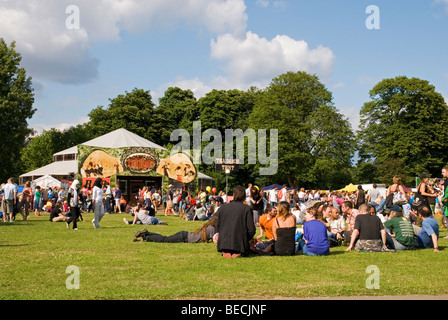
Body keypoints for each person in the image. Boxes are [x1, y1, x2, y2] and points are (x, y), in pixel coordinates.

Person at [216, 185, 256, 258]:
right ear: (244, 197)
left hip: (224, 242)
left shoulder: (223, 207)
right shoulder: (246, 209)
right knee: (238, 250)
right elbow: (251, 230)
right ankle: (236, 251)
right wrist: (247, 239)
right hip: (239, 242)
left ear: (233, 195)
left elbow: (218, 227)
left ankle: (226, 250)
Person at [133, 216, 218, 243]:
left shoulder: (208, 227)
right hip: (184, 237)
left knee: (165, 238)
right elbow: (216, 241)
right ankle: (147, 236)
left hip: (185, 235)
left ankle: (146, 235)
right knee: (164, 239)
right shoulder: (211, 229)